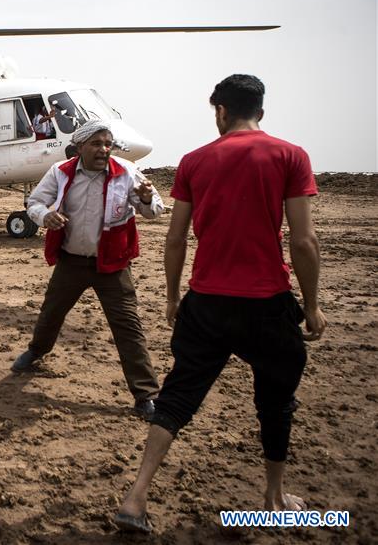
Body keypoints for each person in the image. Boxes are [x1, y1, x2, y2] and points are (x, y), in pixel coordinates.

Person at [115, 74, 328, 533]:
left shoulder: (194, 161)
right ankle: (273, 497)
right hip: (267, 303)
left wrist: (173, 296)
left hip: (206, 301)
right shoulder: (291, 155)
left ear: (220, 111)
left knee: (175, 399)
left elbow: (175, 240)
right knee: (276, 401)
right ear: (261, 113)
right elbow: (304, 241)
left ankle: (135, 498)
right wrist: (311, 306)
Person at [12, 121, 164, 420]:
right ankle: (36, 352)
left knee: (127, 327)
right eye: (96, 144)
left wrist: (145, 198)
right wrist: (46, 216)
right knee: (52, 312)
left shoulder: (127, 172)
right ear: (80, 147)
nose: (103, 149)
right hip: (72, 261)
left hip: (113, 265)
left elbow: (153, 210)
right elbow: (35, 202)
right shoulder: (60, 172)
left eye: (107, 143)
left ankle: (145, 394)